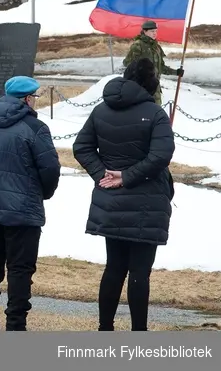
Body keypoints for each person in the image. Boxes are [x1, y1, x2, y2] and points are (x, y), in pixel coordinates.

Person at [73, 57, 175, 331]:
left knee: (114, 268)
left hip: (112, 202)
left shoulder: (101, 110)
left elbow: (81, 147)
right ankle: (138, 334)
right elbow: (162, 155)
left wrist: (103, 175)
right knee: (140, 272)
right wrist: (126, 177)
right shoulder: (155, 114)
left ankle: (105, 328)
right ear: (150, 84)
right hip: (146, 201)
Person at [0, 76, 60, 331]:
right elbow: (50, 169)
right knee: (20, 270)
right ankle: (15, 325)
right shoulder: (35, 128)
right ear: (28, 99)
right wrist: (43, 193)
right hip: (22, 210)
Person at [122, 20, 182, 107]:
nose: (155, 33)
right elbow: (128, 64)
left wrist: (176, 72)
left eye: (156, 31)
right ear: (145, 31)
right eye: (152, 31)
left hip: (155, 88)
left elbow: (161, 67)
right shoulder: (138, 45)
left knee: (156, 113)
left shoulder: (156, 47)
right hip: (141, 88)